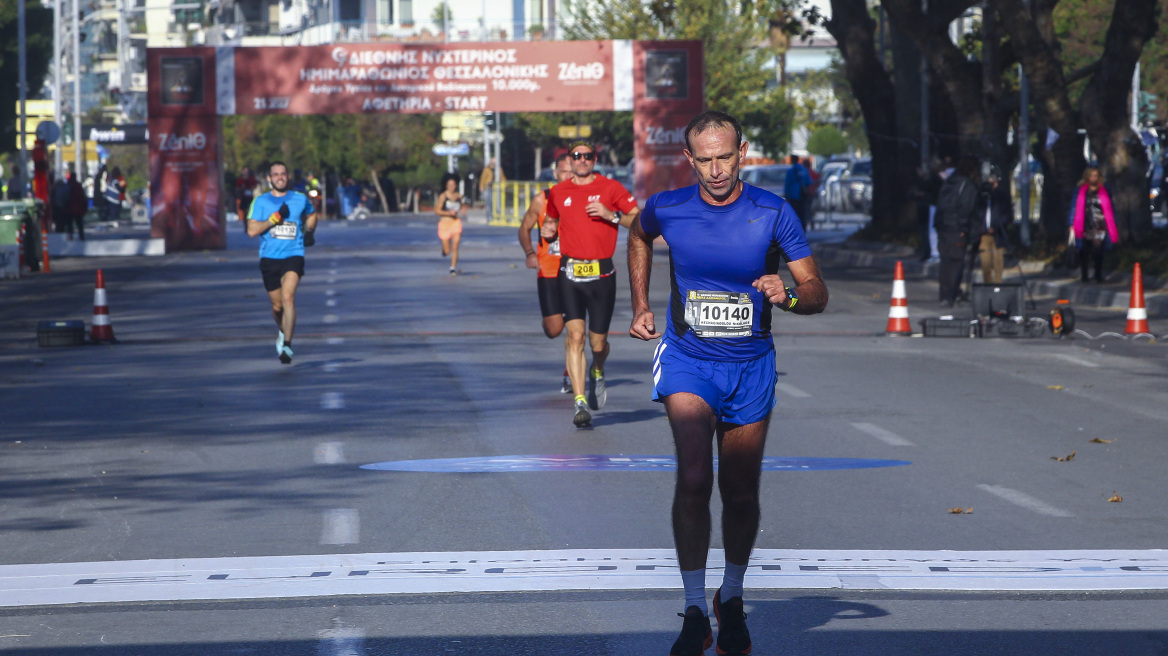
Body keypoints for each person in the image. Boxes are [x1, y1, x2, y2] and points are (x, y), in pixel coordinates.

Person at [628, 110, 828, 656]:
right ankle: (695, 607)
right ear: (689, 159)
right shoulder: (669, 207)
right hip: (689, 359)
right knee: (694, 475)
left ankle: (731, 596)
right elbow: (637, 236)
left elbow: (816, 292)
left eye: (725, 157)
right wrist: (641, 304)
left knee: (739, 490)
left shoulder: (773, 212)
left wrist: (786, 293)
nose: (716, 170)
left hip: (751, 365)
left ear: (742, 152)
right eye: (705, 160)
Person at [545, 139, 640, 427]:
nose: (582, 160)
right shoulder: (558, 192)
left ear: (594, 159)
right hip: (570, 274)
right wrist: (548, 233)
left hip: (602, 275)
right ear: (569, 160)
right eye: (577, 155)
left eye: (588, 156)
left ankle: (597, 370)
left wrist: (611, 215)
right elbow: (550, 225)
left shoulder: (611, 189)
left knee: (598, 344)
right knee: (575, 337)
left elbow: (640, 221)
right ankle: (579, 402)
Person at [246, 161, 317, 365]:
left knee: (288, 297)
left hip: (294, 254)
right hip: (269, 258)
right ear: (269, 179)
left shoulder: (300, 199)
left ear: (288, 177)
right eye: (275, 174)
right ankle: (281, 329)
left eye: (283, 174)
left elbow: (312, 214)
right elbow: (252, 231)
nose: (279, 177)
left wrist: (310, 232)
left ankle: (287, 344)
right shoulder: (260, 202)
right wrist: (275, 218)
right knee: (277, 307)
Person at [518, 153, 574, 392]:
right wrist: (530, 253)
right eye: (564, 171)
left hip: (576, 270)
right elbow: (525, 227)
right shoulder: (542, 200)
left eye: (573, 171)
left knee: (575, 327)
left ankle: (571, 374)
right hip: (549, 271)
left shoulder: (585, 199)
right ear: (555, 173)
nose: (569, 176)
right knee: (554, 329)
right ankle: (553, 320)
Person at [934, 155, 979, 308]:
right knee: (956, 263)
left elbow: (940, 204)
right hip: (957, 229)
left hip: (943, 228)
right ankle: (952, 294)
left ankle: (945, 294)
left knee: (945, 262)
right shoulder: (967, 185)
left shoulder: (949, 182)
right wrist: (966, 231)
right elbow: (967, 209)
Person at [1068, 166, 1120, 283]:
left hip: (1099, 223)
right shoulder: (1081, 189)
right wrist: (1071, 223)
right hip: (1084, 222)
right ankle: (1085, 274)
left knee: (1098, 250)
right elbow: (1074, 206)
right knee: (1084, 250)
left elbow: (1110, 207)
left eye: (1096, 175)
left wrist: (1113, 223)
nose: (1093, 178)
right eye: (1091, 175)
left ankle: (1098, 274)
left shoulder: (1104, 189)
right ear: (1087, 177)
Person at [975, 169, 1013, 284]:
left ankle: (997, 286)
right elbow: (976, 214)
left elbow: (1008, 215)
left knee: (998, 263)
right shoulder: (980, 197)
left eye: (992, 182)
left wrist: (996, 226)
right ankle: (987, 287)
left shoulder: (1002, 197)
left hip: (998, 234)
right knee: (985, 263)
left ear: (996, 183)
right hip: (984, 235)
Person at [435, 172, 466, 274]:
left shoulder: (459, 196)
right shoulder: (443, 196)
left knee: (455, 246)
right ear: (446, 186)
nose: (452, 187)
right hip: (444, 224)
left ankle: (452, 267)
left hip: (455, 223)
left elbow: (461, 206)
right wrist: (448, 213)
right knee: (448, 250)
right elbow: (437, 211)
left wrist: (462, 210)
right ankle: (444, 251)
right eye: (450, 185)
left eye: (454, 185)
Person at [783, 154, 813, 231]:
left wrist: (786, 195)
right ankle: (803, 229)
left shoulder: (790, 171)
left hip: (793, 196)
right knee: (803, 213)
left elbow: (787, 184)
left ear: (792, 160)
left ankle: (796, 230)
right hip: (803, 195)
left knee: (794, 214)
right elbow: (809, 182)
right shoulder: (804, 170)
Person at [65, 170, 89, 241]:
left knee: (70, 225)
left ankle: (70, 237)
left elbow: (65, 198)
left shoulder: (68, 186)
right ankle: (81, 236)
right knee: (79, 224)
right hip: (78, 209)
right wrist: (85, 207)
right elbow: (82, 197)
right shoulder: (78, 186)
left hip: (69, 209)